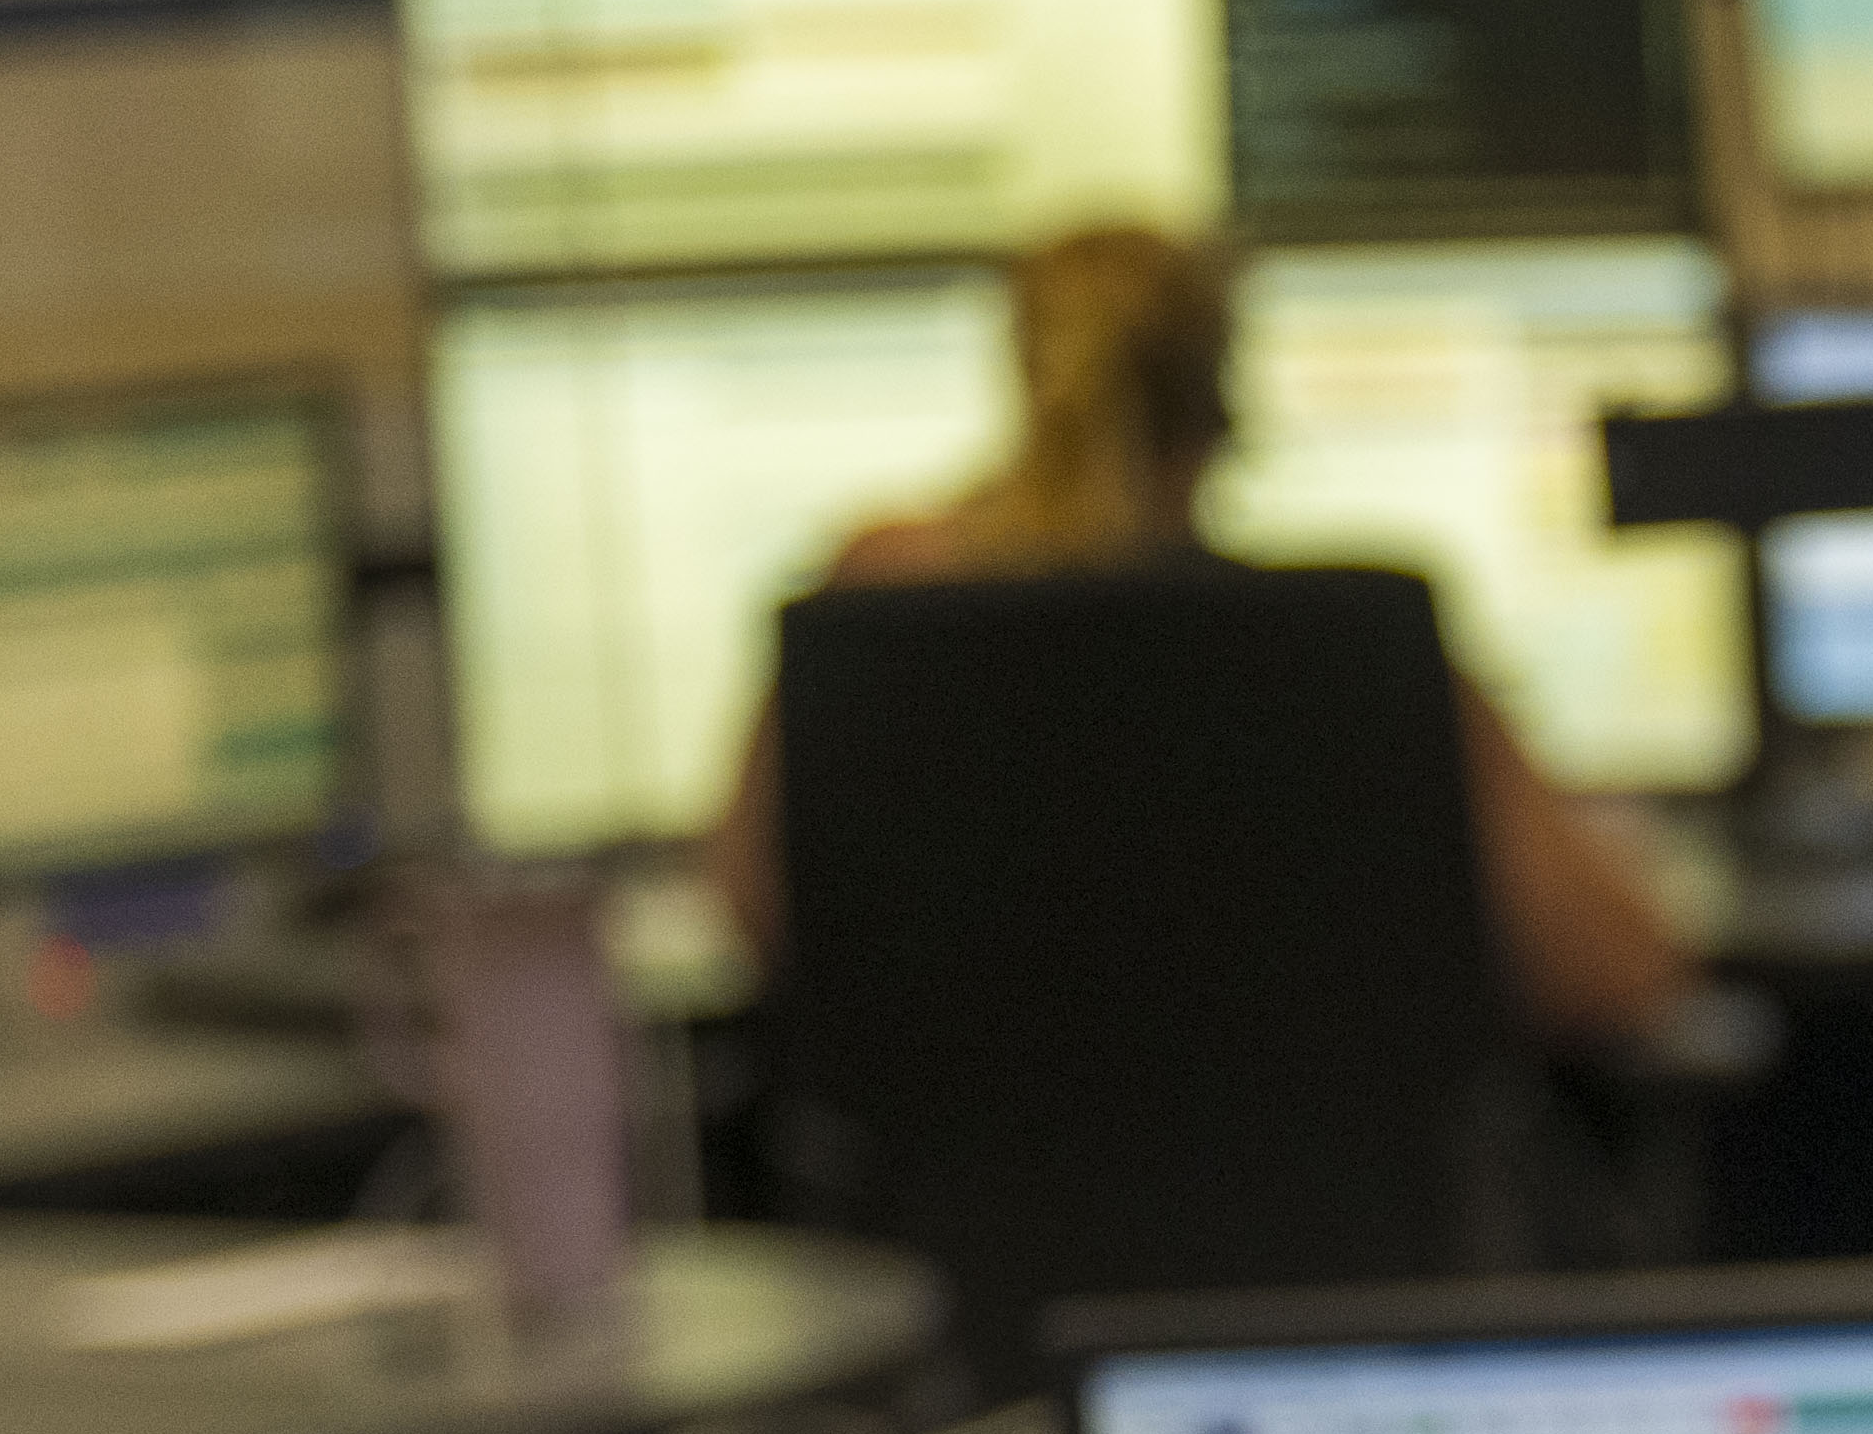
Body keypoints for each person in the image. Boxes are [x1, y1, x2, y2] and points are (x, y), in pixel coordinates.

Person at [702, 222, 1687, 1048]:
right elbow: (1618, 971)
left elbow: (752, 913)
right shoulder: (1353, 650)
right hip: (1323, 1262)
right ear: (1226, 418)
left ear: (1020, 383)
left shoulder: (875, 620)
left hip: (935, 1262)